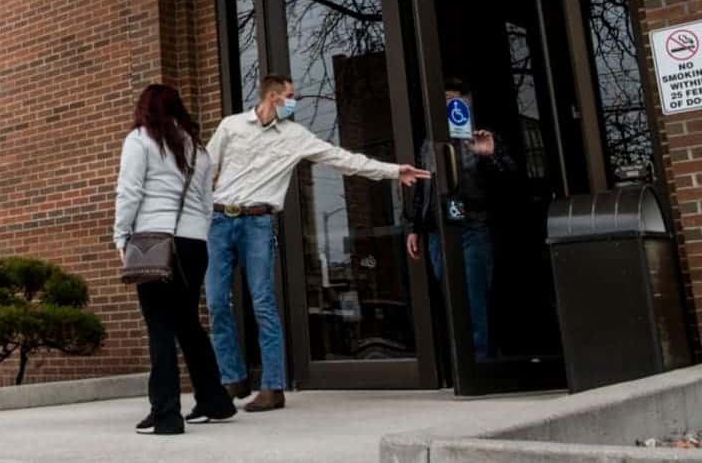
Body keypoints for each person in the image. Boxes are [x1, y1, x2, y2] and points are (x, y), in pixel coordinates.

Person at [205, 74, 430, 412]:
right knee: (216, 302)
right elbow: (204, 171)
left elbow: (343, 158)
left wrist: (392, 171)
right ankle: (232, 376)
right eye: (291, 96)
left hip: (258, 222)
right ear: (273, 96)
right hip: (220, 221)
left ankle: (272, 387)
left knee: (263, 301)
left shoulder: (295, 136)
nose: (295, 101)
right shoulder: (231, 126)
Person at [115, 84, 237, 436]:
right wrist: (195, 236)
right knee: (188, 323)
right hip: (194, 244)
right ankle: (215, 400)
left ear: (145, 109)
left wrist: (121, 236)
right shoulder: (197, 149)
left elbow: (129, 191)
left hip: (155, 241)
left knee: (160, 326)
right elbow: (205, 203)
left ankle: (166, 414)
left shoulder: (139, 140)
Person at [406, 77, 511, 362]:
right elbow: (421, 187)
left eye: (453, 99)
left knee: (475, 298)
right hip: (436, 231)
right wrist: (414, 227)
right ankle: (463, 361)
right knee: (451, 297)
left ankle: (481, 363)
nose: (447, 107)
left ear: (466, 102)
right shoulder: (429, 142)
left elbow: (507, 180)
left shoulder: (479, 137)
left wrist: (490, 156)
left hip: (472, 227)